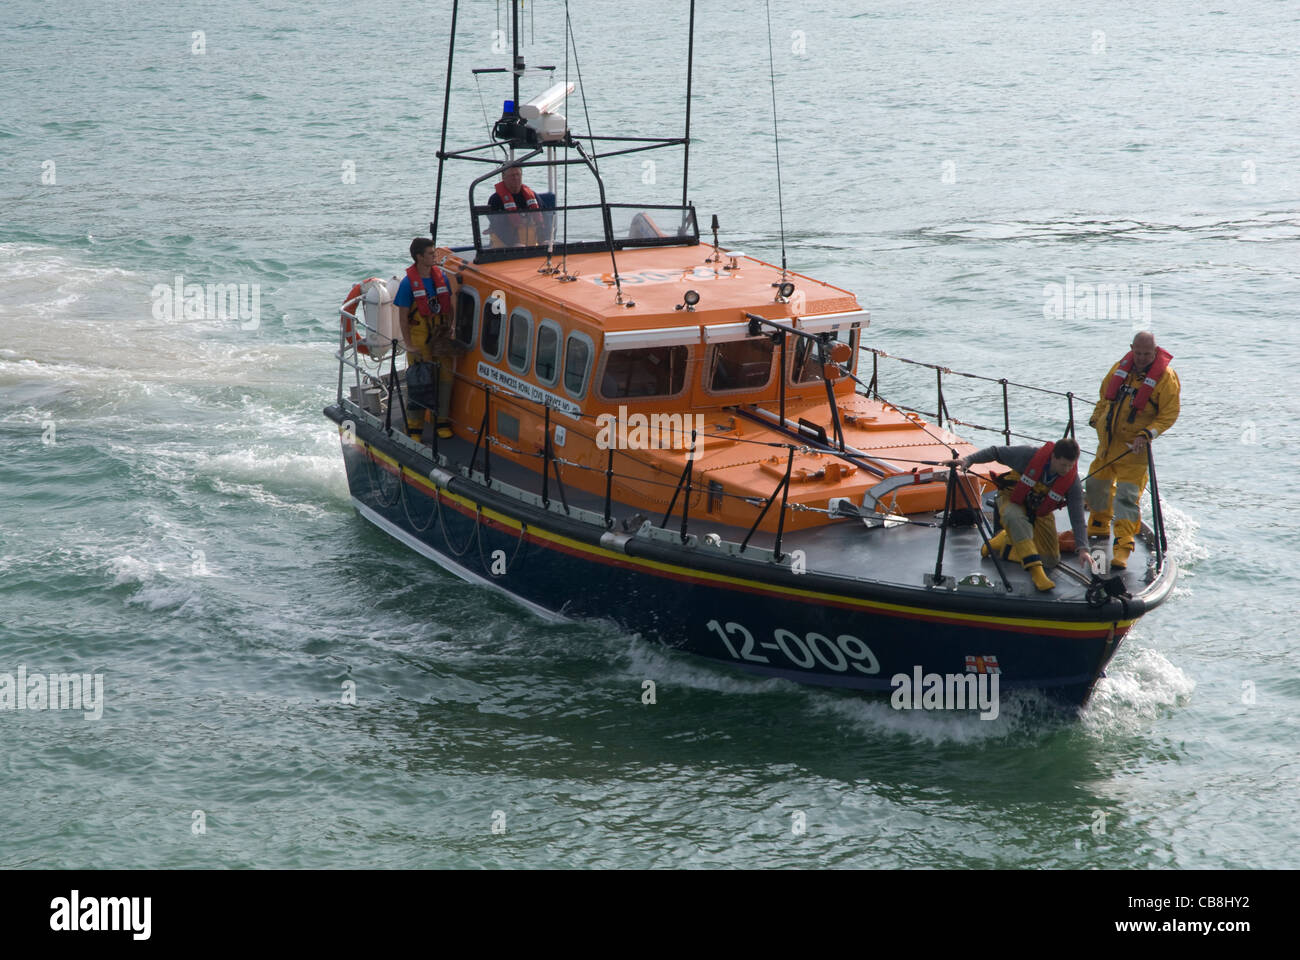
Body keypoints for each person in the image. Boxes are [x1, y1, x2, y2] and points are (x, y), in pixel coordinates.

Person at [1085, 331, 1180, 569]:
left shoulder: (1166, 378)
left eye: (1147, 354)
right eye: (1137, 352)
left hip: (1134, 451)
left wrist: (1147, 434)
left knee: (1127, 498)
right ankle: (1098, 527)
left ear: (1155, 351)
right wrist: (1097, 418)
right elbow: (1105, 395)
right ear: (1131, 348)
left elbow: (1168, 414)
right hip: (1108, 445)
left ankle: (1123, 547)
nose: (1141, 358)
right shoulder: (1121, 367)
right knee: (1096, 485)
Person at [955, 439, 1093, 592]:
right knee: (1015, 519)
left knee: (1050, 560)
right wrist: (968, 460)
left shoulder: (1072, 481)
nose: (1067, 469)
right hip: (1011, 498)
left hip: (1039, 510)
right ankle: (1036, 572)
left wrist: (1083, 549)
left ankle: (1002, 543)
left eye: (1070, 465)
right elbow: (996, 452)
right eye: (1063, 465)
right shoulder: (1028, 455)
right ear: (1053, 457)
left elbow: (1078, 516)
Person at [393, 237, 458, 441]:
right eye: (431, 254)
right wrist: (409, 344)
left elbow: (449, 306)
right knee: (419, 383)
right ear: (419, 257)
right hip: (420, 339)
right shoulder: (407, 284)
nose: (435, 256)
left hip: (440, 337)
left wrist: (451, 328)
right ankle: (414, 428)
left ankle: (442, 422)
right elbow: (403, 317)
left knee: (445, 381)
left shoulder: (441, 277)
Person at [487, 162, 544, 247]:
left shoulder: (533, 196)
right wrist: (514, 243)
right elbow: (498, 226)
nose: (516, 178)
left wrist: (545, 239)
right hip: (504, 248)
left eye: (518, 174)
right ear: (503, 177)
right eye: (512, 175)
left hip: (532, 247)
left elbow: (546, 218)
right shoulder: (495, 200)